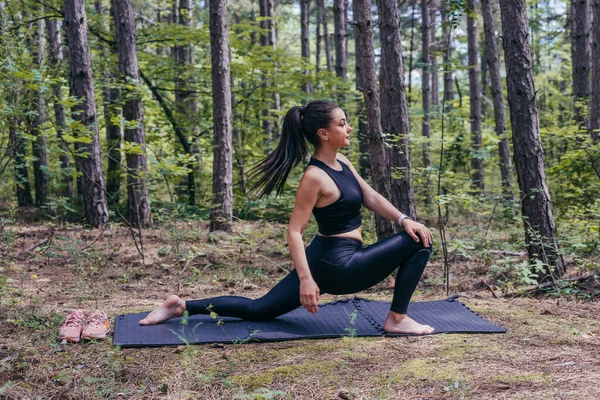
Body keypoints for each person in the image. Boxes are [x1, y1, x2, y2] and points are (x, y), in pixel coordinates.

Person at [140, 100, 434, 334]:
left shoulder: (342, 161)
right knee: (420, 243)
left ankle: (181, 306)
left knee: (260, 310)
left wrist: (403, 218)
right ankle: (397, 319)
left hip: (328, 259)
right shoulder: (314, 177)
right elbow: (294, 231)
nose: (349, 128)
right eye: (342, 123)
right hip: (338, 265)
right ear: (323, 133)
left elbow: (370, 196)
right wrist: (306, 280)